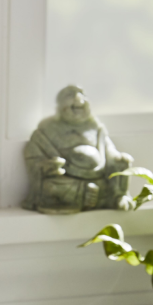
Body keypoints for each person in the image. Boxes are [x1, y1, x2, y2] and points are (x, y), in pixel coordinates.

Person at [23, 85, 134, 215]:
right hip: (67, 181)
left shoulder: (95, 126)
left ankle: (118, 197)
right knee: (51, 188)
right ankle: (86, 195)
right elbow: (33, 157)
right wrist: (48, 165)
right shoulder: (47, 128)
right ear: (60, 105)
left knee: (122, 164)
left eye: (82, 95)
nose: (78, 98)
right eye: (70, 95)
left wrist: (118, 158)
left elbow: (109, 150)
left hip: (98, 176)